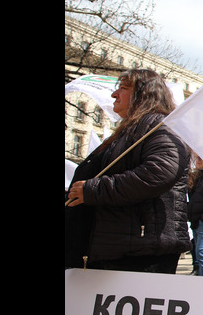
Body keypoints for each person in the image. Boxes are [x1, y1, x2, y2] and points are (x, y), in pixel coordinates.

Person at [65, 69, 191, 273]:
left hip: (140, 253)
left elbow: (159, 172)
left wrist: (93, 190)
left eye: (123, 88)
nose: (114, 95)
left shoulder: (157, 126)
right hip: (119, 246)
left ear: (144, 93)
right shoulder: (130, 129)